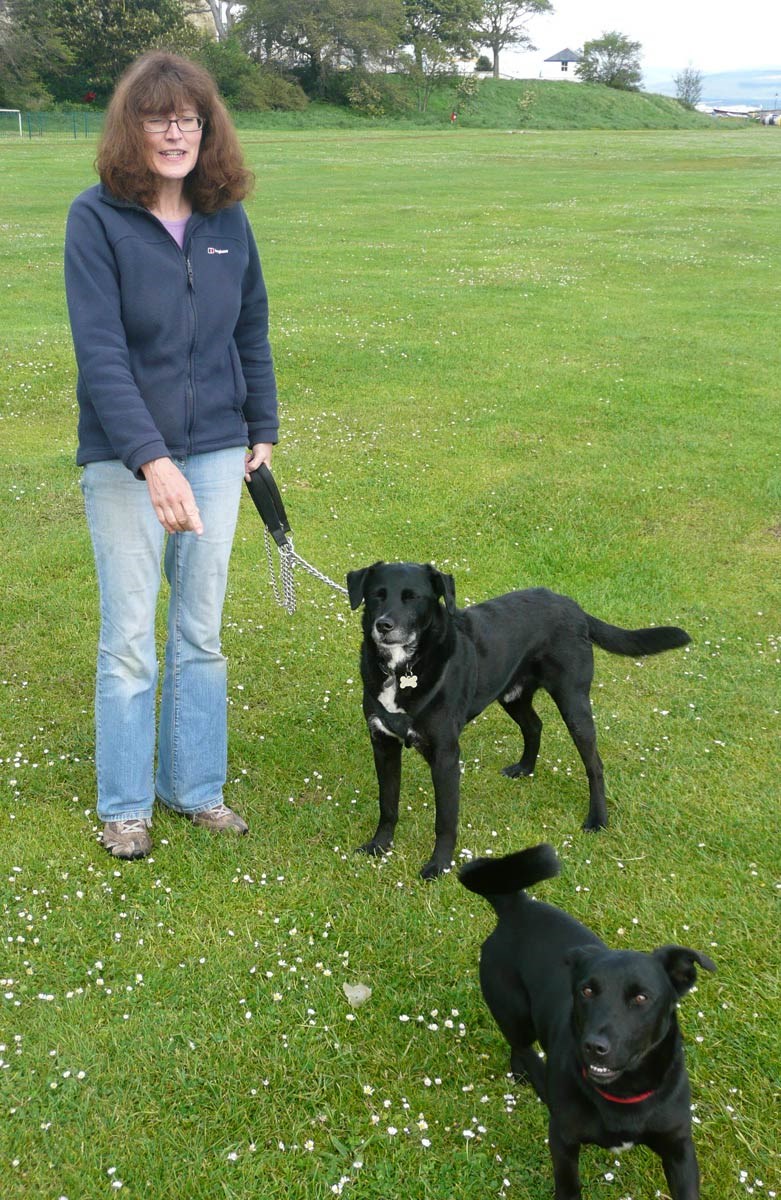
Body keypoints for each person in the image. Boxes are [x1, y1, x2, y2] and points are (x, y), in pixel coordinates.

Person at [64, 51, 278, 860]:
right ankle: (124, 804)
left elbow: (249, 329)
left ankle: (196, 789)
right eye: (158, 118)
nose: (175, 131)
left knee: (200, 631)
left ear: (207, 128)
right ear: (133, 127)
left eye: (188, 118)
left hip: (222, 450)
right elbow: (102, 354)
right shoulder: (96, 220)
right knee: (128, 636)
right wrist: (152, 461)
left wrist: (263, 423)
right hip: (126, 463)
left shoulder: (228, 222)